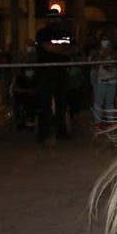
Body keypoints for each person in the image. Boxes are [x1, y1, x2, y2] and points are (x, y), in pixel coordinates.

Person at [35, 11, 75, 143]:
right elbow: (49, 48)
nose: (55, 20)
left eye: (57, 18)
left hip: (61, 72)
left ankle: (61, 132)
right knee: (43, 104)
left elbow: (74, 49)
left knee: (61, 104)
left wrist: (58, 49)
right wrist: (62, 49)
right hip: (45, 72)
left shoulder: (66, 33)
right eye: (52, 18)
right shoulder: (41, 33)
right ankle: (43, 133)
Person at [89, 31, 117, 127]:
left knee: (110, 101)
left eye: (107, 40)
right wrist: (102, 55)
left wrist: (113, 56)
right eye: (103, 40)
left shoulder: (113, 51)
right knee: (98, 101)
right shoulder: (94, 51)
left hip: (112, 79)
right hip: (99, 79)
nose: (105, 42)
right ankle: (98, 122)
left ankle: (110, 120)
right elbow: (92, 65)